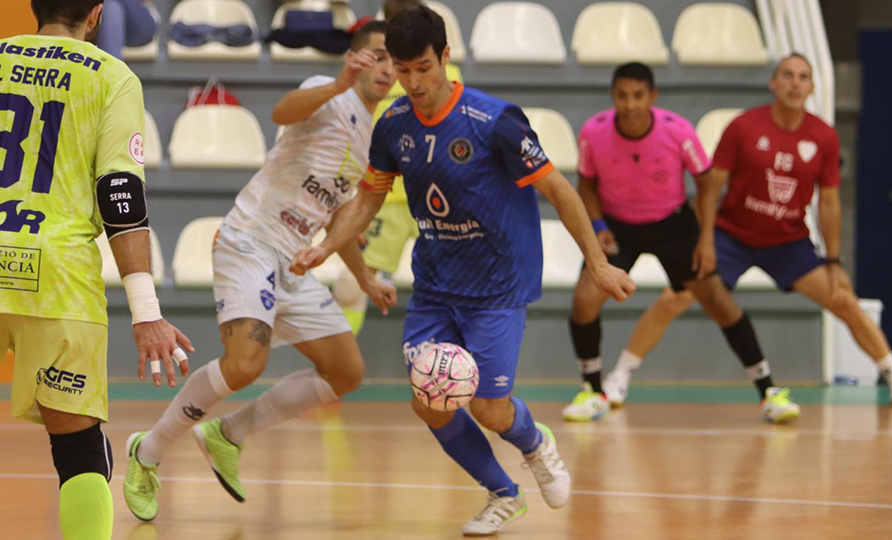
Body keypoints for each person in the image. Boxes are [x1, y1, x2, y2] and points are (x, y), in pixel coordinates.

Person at [290, 6, 635, 535]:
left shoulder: (494, 121)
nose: (412, 82)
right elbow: (367, 198)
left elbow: (559, 190)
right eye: (402, 71)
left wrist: (598, 262)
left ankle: (535, 444)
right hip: (434, 286)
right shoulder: (394, 124)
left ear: (445, 57)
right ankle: (502, 492)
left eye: (423, 68)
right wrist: (326, 246)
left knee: (489, 410)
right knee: (429, 401)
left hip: (497, 285)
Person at [122, 21, 398, 521]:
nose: (387, 68)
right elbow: (280, 111)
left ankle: (229, 434)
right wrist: (337, 83)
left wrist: (364, 279)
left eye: (393, 61)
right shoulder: (324, 90)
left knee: (346, 371)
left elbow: (338, 215)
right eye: (378, 56)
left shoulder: (373, 136)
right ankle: (148, 451)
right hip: (250, 240)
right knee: (245, 365)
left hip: (293, 262)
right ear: (357, 57)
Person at [601, 53, 892, 410]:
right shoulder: (743, 127)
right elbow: (711, 187)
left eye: (803, 77)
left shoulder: (824, 137)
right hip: (731, 237)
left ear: (811, 87)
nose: (794, 83)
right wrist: (704, 240)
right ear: (773, 83)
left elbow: (829, 202)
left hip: (788, 242)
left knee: (843, 299)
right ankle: (620, 377)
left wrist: (833, 260)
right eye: (787, 75)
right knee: (673, 298)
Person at [0, 1, 193, 539]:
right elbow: (120, 192)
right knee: (79, 449)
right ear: (98, 14)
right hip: (57, 279)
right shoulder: (111, 77)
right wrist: (146, 312)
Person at [563, 62, 800, 424]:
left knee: (719, 302)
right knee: (583, 301)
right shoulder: (592, 132)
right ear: (613, 97)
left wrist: (706, 239)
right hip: (617, 227)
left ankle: (769, 391)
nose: (630, 104)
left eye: (638, 95)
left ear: (652, 97)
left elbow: (706, 185)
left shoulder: (678, 131)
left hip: (674, 226)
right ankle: (592, 390)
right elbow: (587, 184)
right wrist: (597, 225)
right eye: (622, 96)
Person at [334, 0, 463, 335]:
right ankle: (335, 371)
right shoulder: (372, 69)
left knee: (459, 288)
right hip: (382, 199)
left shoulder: (445, 70)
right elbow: (353, 131)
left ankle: (466, 373)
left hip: (438, 200)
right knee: (350, 284)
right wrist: (350, 202)